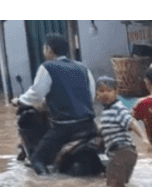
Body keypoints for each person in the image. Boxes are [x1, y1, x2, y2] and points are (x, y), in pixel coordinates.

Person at [13, 34, 97, 175]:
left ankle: (47, 186)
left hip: (64, 128)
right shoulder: (83, 68)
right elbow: (91, 96)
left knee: (37, 159)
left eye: (45, 48)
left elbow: (36, 93)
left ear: (49, 50)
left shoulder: (47, 67)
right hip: (89, 125)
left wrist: (19, 101)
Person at [95, 77, 147, 187]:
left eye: (109, 91)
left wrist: (144, 138)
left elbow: (131, 122)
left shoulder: (118, 108)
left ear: (116, 92)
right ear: (96, 94)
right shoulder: (107, 111)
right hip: (125, 153)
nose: (105, 94)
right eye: (102, 91)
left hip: (120, 152)